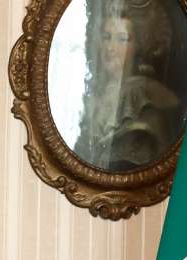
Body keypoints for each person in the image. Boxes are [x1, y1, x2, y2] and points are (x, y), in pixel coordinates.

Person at [73, 0, 181, 171]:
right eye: (106, 37)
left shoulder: (143, 99)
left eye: (122, 39)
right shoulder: (94, 96)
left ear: (139, 45)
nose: (111, 47)